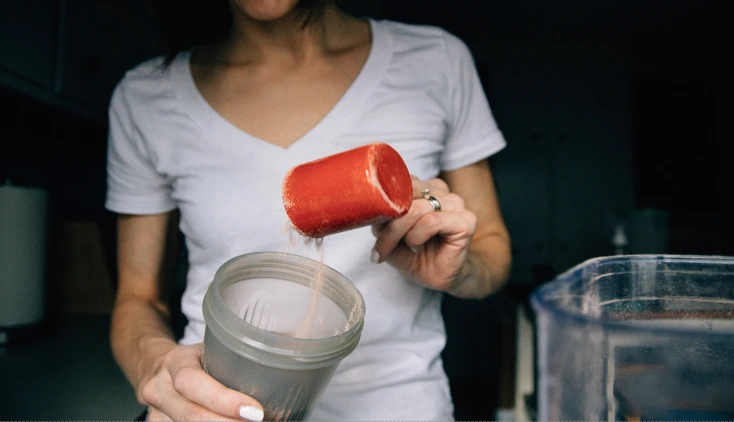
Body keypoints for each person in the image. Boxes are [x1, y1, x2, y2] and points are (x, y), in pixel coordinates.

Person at [106, 0, 512, 420]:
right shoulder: (145, 97)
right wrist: (159, 368)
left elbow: (492, 252)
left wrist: (457, 268)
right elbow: (138, 299)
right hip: (218, 406)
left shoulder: (436, 61)